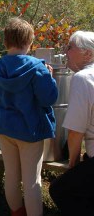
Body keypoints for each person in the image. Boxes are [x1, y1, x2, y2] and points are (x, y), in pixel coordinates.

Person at [0, 17, 58, 216]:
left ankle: (16, 212)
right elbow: (49, 98)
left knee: (11, 175)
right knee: (32, 181)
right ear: (29, 41)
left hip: (5, 128)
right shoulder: (38, 68)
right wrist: (50, 78)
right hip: (30, 130)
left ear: (5, 41)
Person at [49, 30, 94, 215]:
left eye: (70, 47)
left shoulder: (83, 78)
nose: (66, 52)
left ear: (88, 54)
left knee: (60, 190)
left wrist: (72, 162)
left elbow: (76, 130)